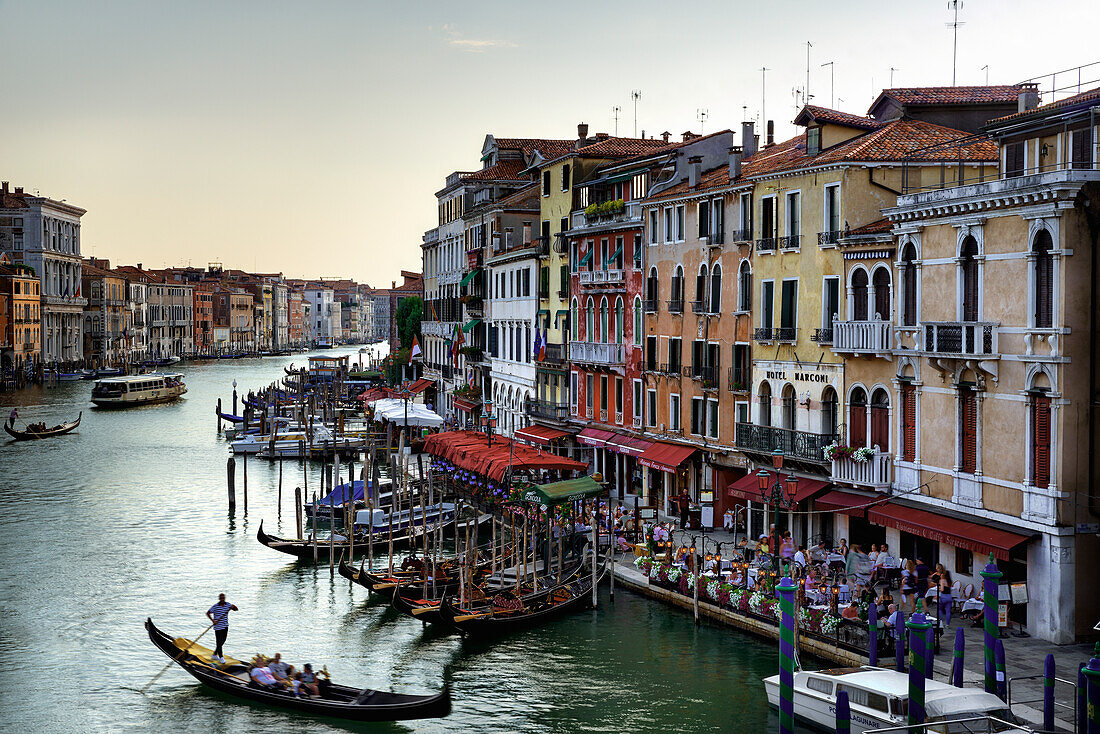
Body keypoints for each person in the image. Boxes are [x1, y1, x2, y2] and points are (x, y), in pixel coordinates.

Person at [206, 593, 238, 664]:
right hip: (218, 627)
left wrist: (233, 607)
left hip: (225, 626)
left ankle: (214, 654)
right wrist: (213, 620)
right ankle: (221, 657)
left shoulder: (228, 605)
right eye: (221, 598)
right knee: (219, 642)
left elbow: (236, 609)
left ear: (225, 598)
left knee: (223, 641)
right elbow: (208, 613)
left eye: (223, 598)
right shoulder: (215, 606)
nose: (222, 599)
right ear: (219, 598)